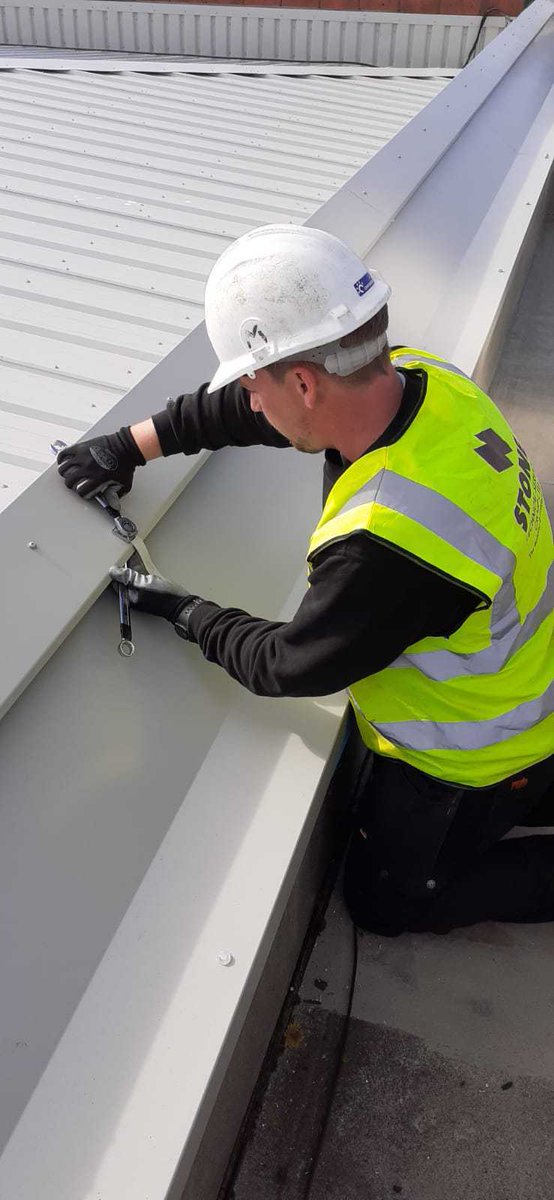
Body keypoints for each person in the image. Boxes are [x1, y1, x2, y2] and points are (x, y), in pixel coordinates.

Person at [56, 223, 554, 936]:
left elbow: (290, 664)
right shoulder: (421, 380)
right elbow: (267, 412)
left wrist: (187, 612)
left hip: (481, 751)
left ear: (302, 382)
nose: (251, 402)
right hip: (530, 678)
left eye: (253, 383)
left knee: (385, 903)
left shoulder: (390, 541)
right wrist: (132, 445)